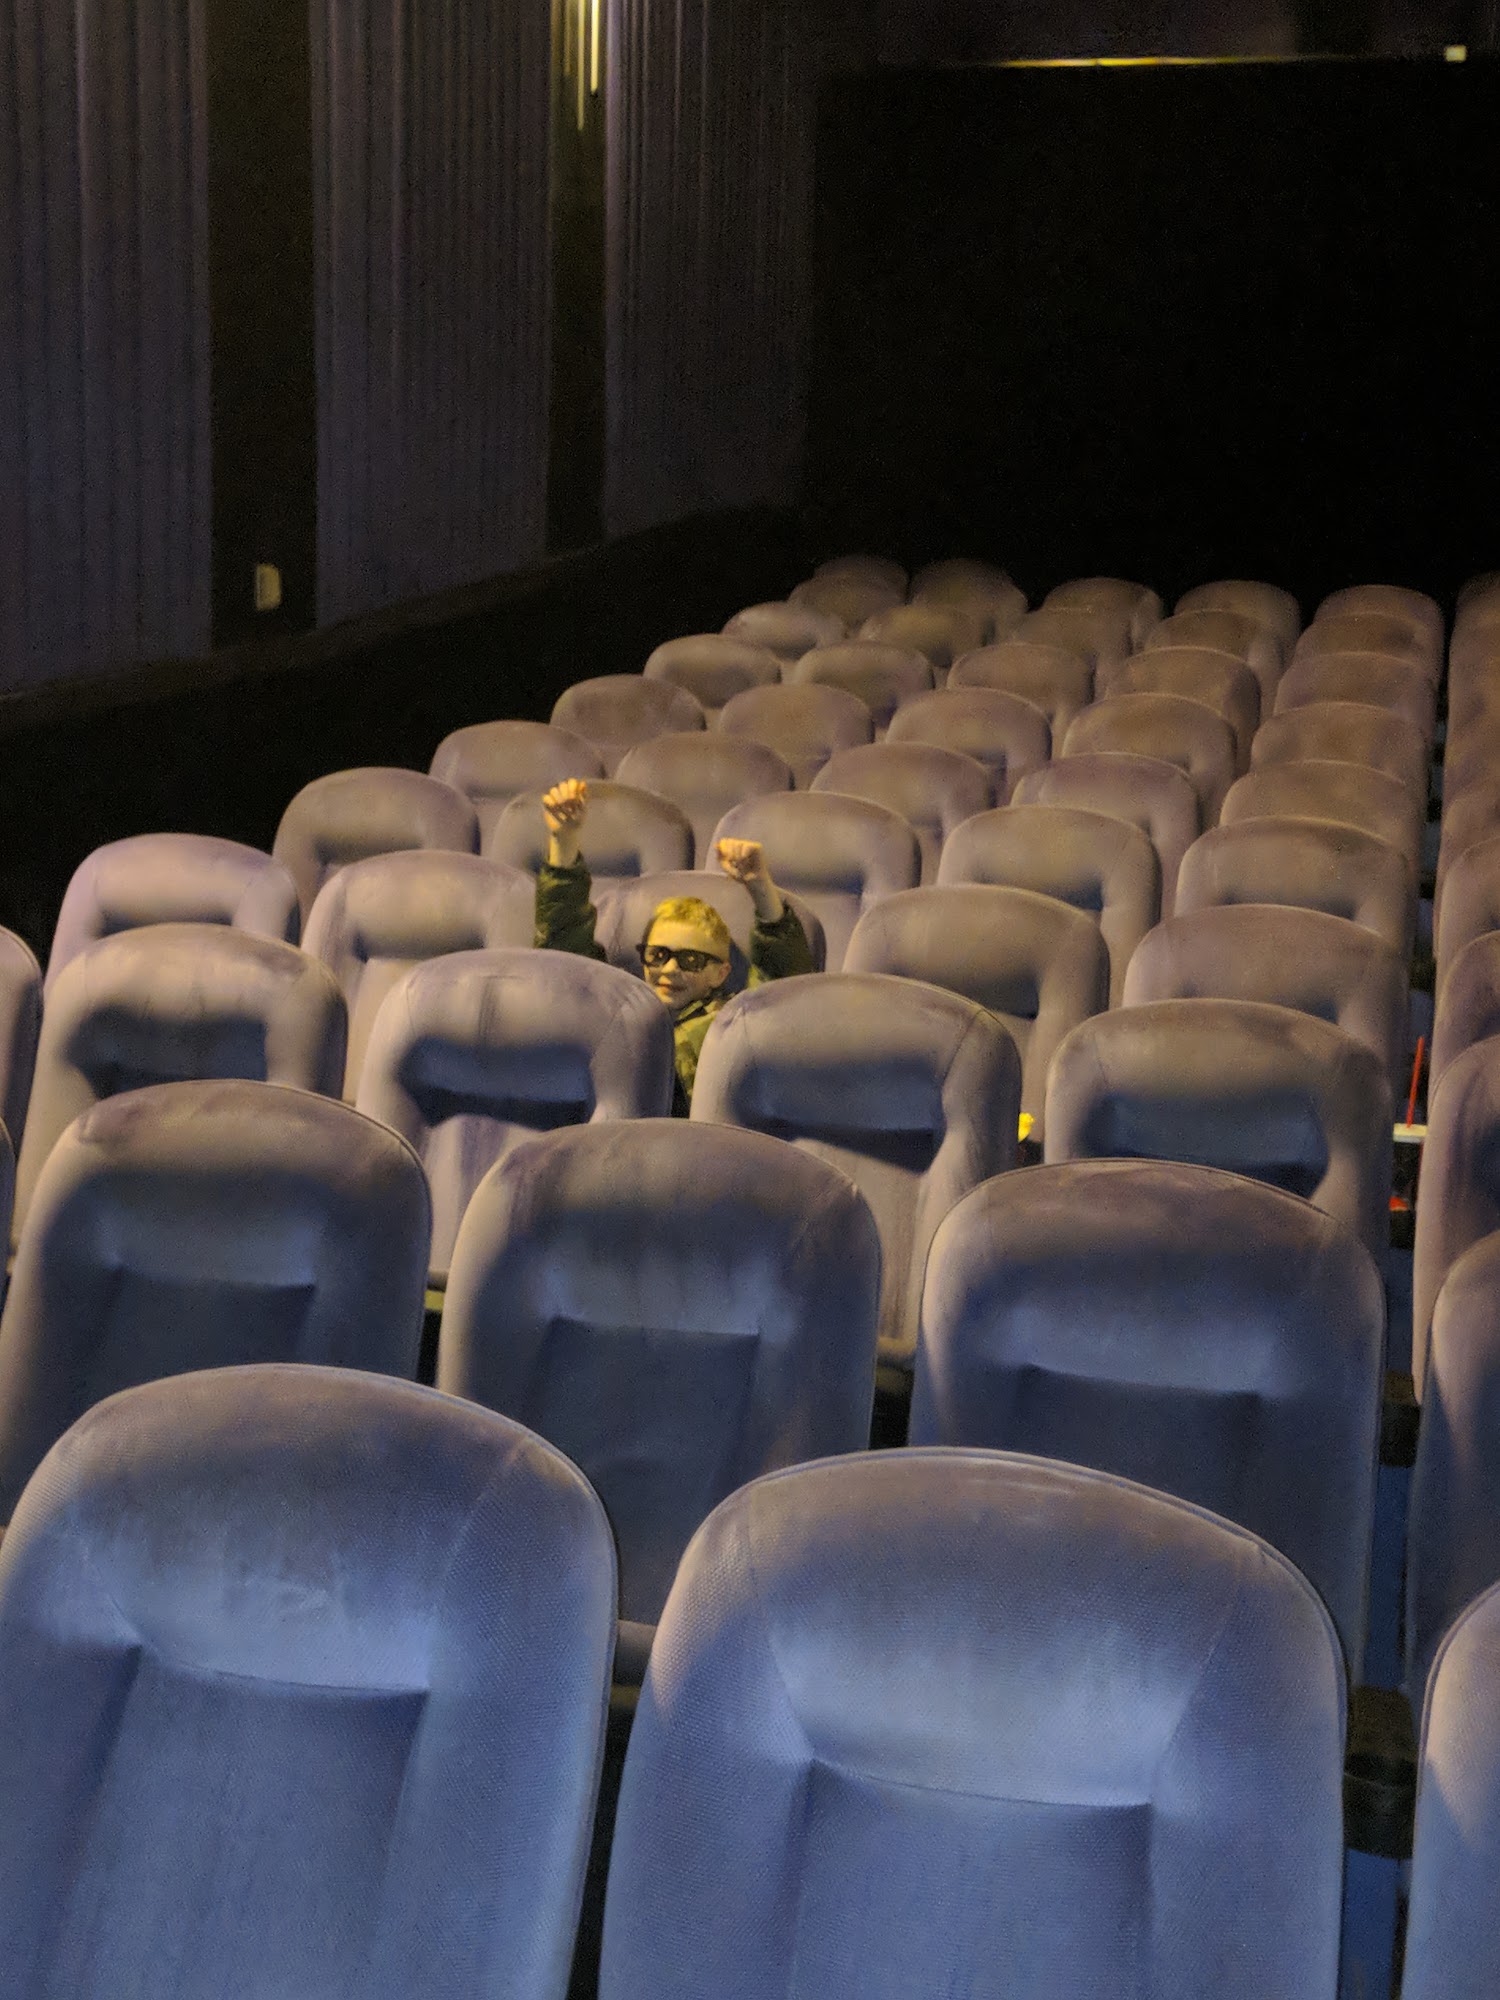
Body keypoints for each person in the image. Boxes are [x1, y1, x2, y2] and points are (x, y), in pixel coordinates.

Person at [535, 778, 814, 1113]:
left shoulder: (728, 1026)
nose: (669, 969)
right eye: (658, 955)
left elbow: (779, 992)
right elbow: (564, 955)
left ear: (720, 973)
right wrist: (563, 840)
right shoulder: (620, 1012)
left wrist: (760, 887)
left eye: (691, 960)